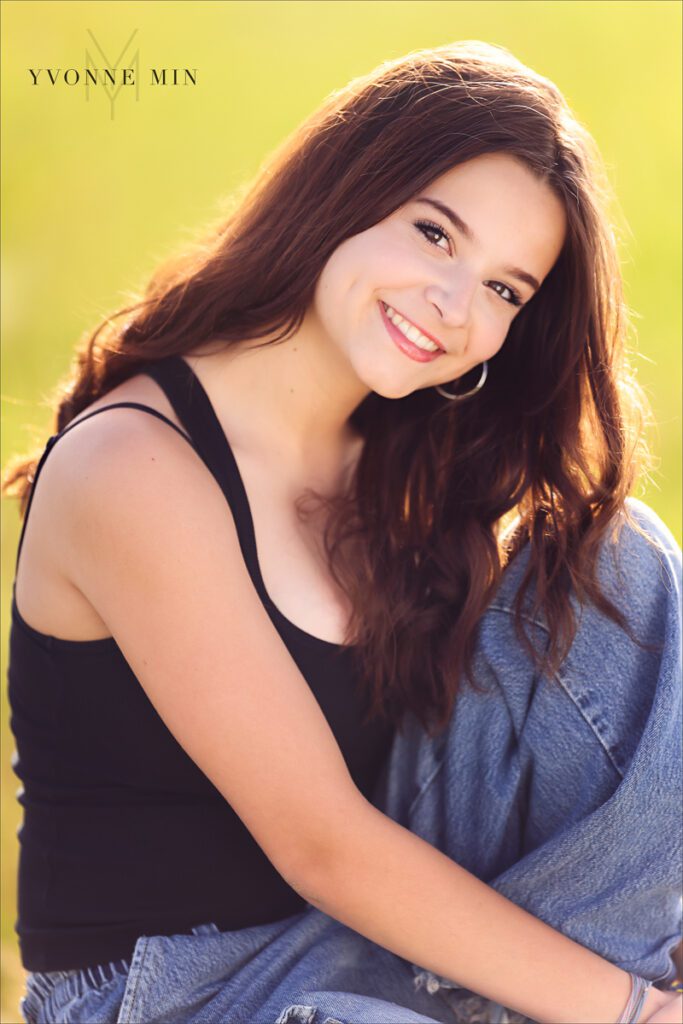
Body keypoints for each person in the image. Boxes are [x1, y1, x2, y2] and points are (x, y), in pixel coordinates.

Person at [3, 39, 681, 1024]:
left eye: (503, 289)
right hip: (173, 992)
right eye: (433, 234)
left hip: (354, 953)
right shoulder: (134, 469)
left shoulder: (406, 463)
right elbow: (318, 841)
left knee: (620, 570)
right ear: (345, 189)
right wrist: (636, 1011)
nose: (452, 306)